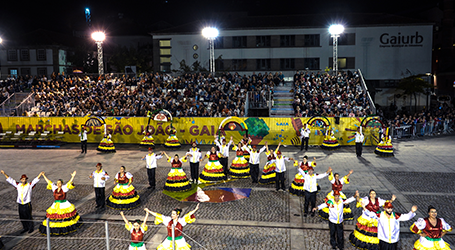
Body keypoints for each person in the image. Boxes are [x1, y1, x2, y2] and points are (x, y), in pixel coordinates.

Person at [39, 171, 83, 235]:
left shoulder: (64, 188)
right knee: (55, 216)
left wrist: (73, 177)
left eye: (59, 183)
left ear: (61, 183)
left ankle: (64, 228)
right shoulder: (54, 188)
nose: (58, 184)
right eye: (57, 183)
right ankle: (56, 229)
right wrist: (43, 175)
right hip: (56, 204)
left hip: (63, 204)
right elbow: (49, 182)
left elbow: (69, 183)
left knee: (64, 216)